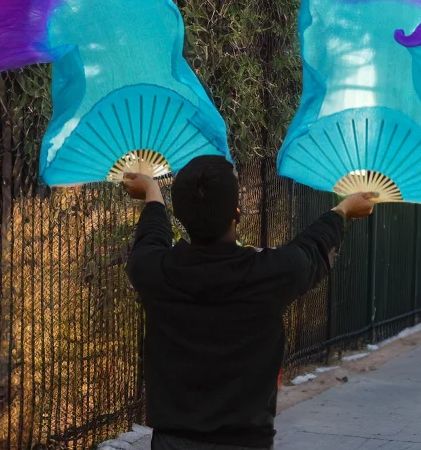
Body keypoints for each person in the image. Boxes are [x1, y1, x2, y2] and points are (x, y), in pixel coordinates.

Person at [123, 154, 376, 450]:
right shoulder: (269, 274)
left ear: (180, 213)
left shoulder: (155, 272)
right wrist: (343, 209)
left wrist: (152, 192)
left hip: (172, 442)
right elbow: (310, 248)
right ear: (238, 213)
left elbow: (151, 238)